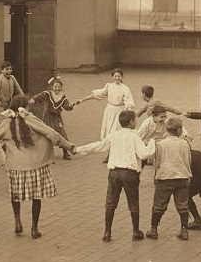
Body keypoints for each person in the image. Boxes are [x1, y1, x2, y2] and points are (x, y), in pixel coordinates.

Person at [0, 96, 74, 239]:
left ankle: (17, 221)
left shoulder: (6, 123)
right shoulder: (31, 119)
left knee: (15, 195)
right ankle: (34, 229)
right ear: (25, 107)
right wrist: (68, 146)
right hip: (35, 165)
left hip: (16, 167)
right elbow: (51, 133)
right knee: (36, 197)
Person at [75, 109, 156, 241]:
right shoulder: (134, 136)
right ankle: (136, 231)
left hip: (114, 172)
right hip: (130, 173)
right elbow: (144, 154)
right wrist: (152, 143)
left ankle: (107, 232)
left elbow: (99, 146)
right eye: (135, 120)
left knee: (110, 203)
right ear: (131, 122)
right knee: (133, 202)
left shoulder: (114, 135)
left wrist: (79, 149)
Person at [147, 118, 193, 240]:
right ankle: (184, 230)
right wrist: (188, 174)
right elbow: (188, 160)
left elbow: (156, 163)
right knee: (183, 205)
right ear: (179, 130)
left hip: (165, 177)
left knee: (159, 205)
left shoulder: (160, 144)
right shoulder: (185, 143)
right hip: (182, 176)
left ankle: (154, 229)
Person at [75, 68, 135, 140]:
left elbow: (128, 102)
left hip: (119, 111)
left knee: (116, 131)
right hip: (109, 111)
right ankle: (108, 146)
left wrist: (129, 113)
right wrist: (82, 100)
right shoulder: (109, 86)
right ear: (112, 77)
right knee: (108, 129)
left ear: (122, 77)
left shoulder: (125, 88)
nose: (117, 78)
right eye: (115, 76)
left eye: (119, 76)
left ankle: (117, 145)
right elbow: (97, 95)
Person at [29, 76, 76, 160]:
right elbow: (40, 97)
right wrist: (34, 99)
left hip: (57, 118)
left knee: (62, 134)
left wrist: (70, 105)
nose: (57, 88)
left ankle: (65, 152)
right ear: (52, 87)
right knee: (46, 135)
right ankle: (47, 154)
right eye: (55, 87)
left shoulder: (63, 97)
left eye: (59, 87)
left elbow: (66, 106)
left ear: (61, 87)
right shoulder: (48, 94)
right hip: (47, 117)